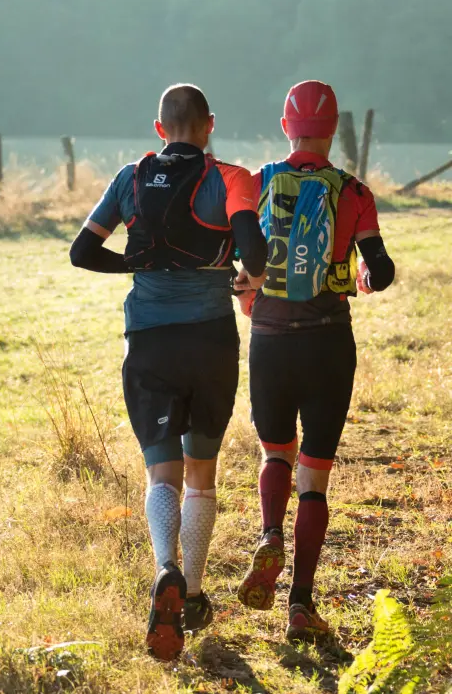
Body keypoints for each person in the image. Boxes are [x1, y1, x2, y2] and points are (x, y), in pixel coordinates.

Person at [70, 84, 267, 661]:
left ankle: (165, 570)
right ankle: (197, 592)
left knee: (163, 474)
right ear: (209, 126)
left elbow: (83, 252)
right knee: (202, 474)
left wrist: (132, 264)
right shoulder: (232, 177)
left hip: (149, 341)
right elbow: (253, 252)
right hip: (209, 340)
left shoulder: (131, 177)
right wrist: (248, 279)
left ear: (160, 129)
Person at [234, 80, 396, 642]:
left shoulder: (257, 183)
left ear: (286, 126)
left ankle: (270, 535)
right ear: (332, 132)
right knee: (315, 478)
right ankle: (301, 603)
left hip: (271, 339)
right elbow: (381, 267)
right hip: (330, 343)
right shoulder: (354, 191)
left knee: (275, 451)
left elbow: (235, 255)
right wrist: (367, 276)